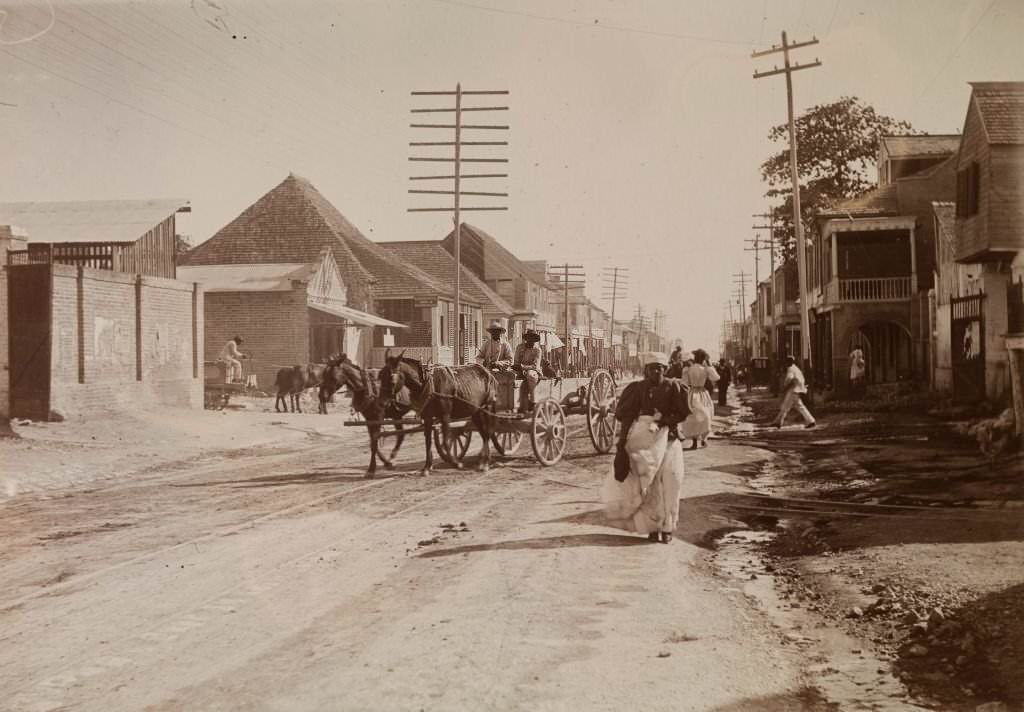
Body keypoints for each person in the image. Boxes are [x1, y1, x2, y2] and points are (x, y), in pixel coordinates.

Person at [603, 352, 690, 543]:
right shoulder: (637, 389)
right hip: (644, 440)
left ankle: (667, 527)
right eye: (652, 368)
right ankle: (652, 526)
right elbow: (627, 417)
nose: (656, 371)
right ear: (646, 370)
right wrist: (622, 445)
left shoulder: (673, 387)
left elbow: (682, 413)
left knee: (670, 481)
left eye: (660, 368)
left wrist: (663, 422)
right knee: (647, 485)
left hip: (668, 440)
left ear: (665, 369)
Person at [680, 348, 719, 449]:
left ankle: (694, 441)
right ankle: (704, 439)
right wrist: (709, 365)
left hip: (692, 393)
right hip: (703, 393)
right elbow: (716, 378)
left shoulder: (688, 369)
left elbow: (684, 383)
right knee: (706, 415)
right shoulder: (706, 369)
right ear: (703, 359)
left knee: (693, 417)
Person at [774, 355, 816, 429]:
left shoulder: (790, 369)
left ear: (788, 362)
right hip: (797, 389)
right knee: (799, 406)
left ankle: (778, 422)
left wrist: (784, 389)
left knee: (785, 406)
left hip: (793, 389)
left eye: (786, 362)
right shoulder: (796, 368)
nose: (785, 363)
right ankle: (811, 421)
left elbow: (789, 379)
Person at [514, 329, 543, 413]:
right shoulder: (519, 347)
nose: (531, 340)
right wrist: (517, 367)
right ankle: (511, 402)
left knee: (530, 375)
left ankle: (533, 401)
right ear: (526, 338)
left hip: (534, 371)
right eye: (529, 337)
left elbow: (535, 366)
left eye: (533, 338)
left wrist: (523, 367)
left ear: (535, 339)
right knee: (507, 375)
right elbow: (516, 361)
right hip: (520, 370)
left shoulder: (538, 350)